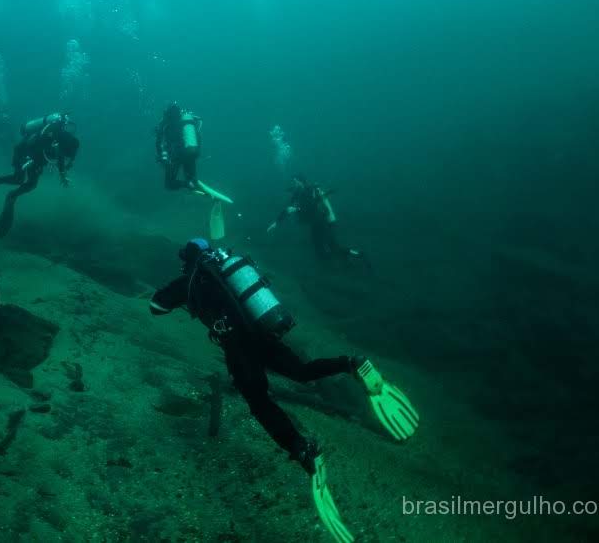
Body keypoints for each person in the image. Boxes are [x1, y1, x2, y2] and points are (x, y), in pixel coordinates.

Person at [149, 238, 418, 543]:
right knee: (302, 371)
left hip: (238, 348)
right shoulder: (230, 270)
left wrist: (184, 296)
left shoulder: (189, 281)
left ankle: (302, 449)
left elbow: (156, 306)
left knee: (259, 402)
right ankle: (351, 363)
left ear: (187, 260)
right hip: (263, 335)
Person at [0, 113, 79, 238]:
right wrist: (61, 173)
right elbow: (56, 154)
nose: (67, 158)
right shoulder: (57, 139)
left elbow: (62, 158)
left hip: (34, 158)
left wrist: (63, 172)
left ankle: (8, 194)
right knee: (19, 179)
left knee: (31, 184)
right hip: (24, 152)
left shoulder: (67, 144)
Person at [267, 176, 368, 266]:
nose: (295, 184)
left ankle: (358, 254)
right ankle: (334, 264)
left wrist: (298, 209)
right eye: (294, 182)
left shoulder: (310, 191)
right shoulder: (297, 194)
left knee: (334, 248)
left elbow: (312, 205)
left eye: (296, 182)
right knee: (318, 248)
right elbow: (288, 209)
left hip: (322, 222)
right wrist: (276, 222)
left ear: (301, 181)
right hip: (314, 224)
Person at [155, 102, 202, 191]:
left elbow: (159, 143)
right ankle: (192, 182)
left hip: (175, 157)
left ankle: (187, 184)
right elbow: (198, 135)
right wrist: (197, 151)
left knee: (169, 184)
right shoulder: (186, 120)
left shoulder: (165, 123)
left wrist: (162, 157)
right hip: (190, 152)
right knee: (191, 178)